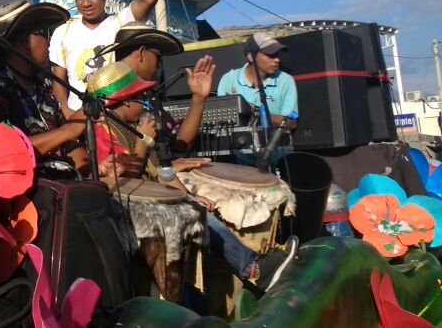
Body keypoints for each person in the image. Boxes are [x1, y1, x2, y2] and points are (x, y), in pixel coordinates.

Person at [86, 61, 299, 291]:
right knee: (200, 216)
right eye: (140, 96)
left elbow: (162, 171)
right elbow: (126, 179)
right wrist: (143, 142)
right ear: (126, 101)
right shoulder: (104, 132)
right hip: (130, 209)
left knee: (200, 208)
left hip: (154, 196)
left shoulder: (133, 125)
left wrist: (188, 196)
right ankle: (253, 270)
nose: (145, 101)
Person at [0, 0, 125, 177]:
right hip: (26, 195)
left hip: (61, 191)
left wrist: (96, 170)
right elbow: (4, 150)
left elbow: (69, 145)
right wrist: (67, 130)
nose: (51, 42)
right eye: (47, 34)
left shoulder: (44, 85)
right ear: (26, 40)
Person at [48, 0, 158, 117]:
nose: (86, 3)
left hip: (117, 114)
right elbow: (59, 80)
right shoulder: (63, 31)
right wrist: (67, 115)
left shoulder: (121, 22)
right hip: (78, 118)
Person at [97, 21, 216, 154]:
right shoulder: (103, 90)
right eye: (157, 57)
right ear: (142, 53)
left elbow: (180, 146)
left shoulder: (150, 96)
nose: (159, 66)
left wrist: (198, 98)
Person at [217, 32, 299, 132]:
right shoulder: (228, 80)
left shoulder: (286, 80)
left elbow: (292, 122)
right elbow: (221, 120)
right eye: (270, 55)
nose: (277, 60)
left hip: (276, 146)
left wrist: (256, 112)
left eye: (277, 54)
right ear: (251, 57)